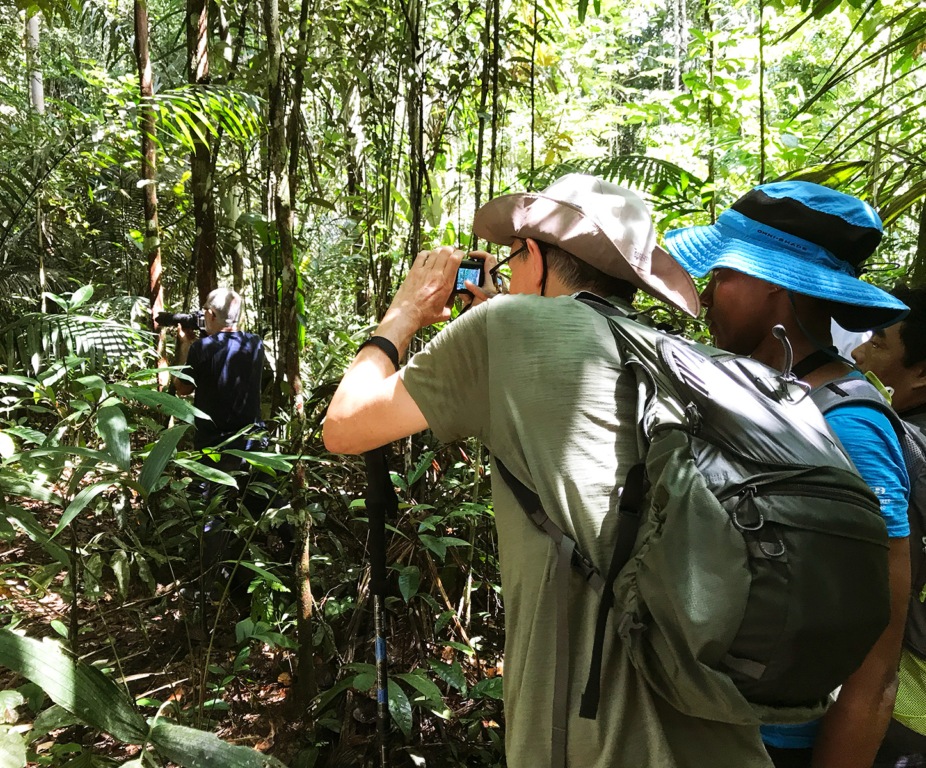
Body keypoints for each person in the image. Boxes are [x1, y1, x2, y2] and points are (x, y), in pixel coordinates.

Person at [324, 174, 775, 767]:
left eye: (513, 257)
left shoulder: (504, 329)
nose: (507, 273)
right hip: (722, 733)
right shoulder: (686, 360)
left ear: (534, 256)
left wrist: (404, 313)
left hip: (591, 742)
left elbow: (344, 425)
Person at [663, 181, 912, 768]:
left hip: (780, 748)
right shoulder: (740, 392)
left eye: (723, 275)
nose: (709, 289)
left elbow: (876, 665)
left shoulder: (850, 427)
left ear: (773, 282)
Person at [851, 285, 926, 768]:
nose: (858, 351)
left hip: (904, 707)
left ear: (922, 373)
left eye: (878, 342)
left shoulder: (899, 450)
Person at [174, 287, 266, 456]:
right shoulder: (256, 344)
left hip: (212, 444)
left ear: (211, 314)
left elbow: (182, 388)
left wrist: (186, 345)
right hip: (251, 440)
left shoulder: (200, 347)